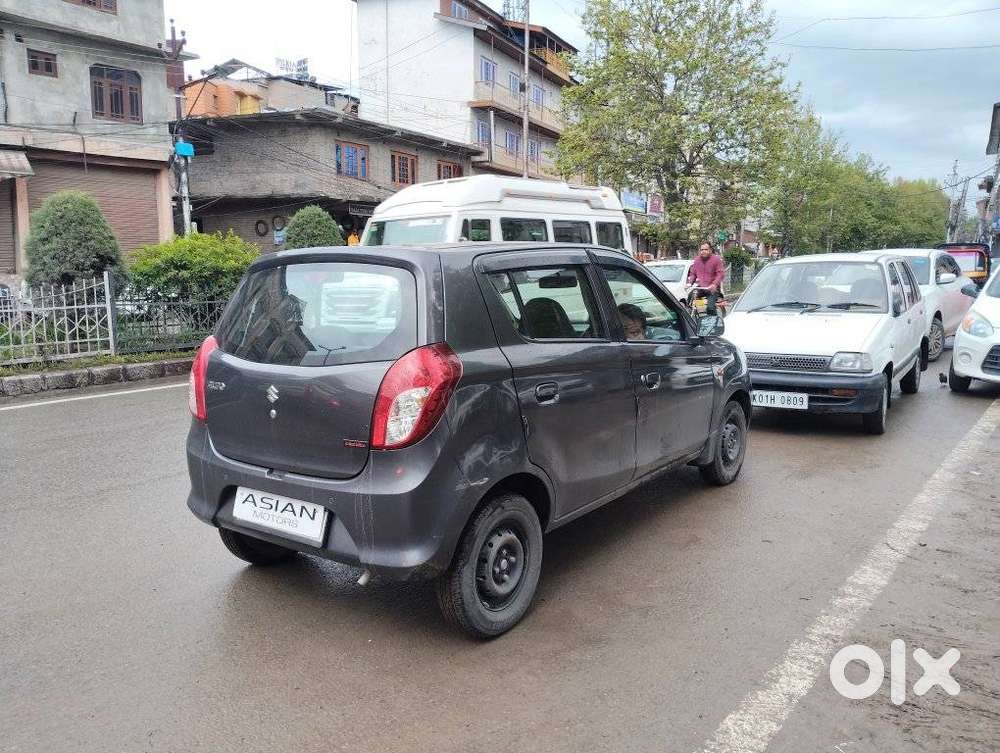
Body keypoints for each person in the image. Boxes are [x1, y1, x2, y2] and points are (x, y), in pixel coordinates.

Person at [686, 240, 725, 314]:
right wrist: (689, 283)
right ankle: (691, 319)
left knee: (710, 308)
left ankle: (713, 323)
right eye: (702, 250)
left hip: (713, 289)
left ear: (710, 250)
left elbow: (720, 274)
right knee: (690, 299)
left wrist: (714, 284)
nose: (703, 251)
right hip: (702, 287)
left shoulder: (716, 260)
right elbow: (693, 273)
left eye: (706, 249)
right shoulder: (697, 260)